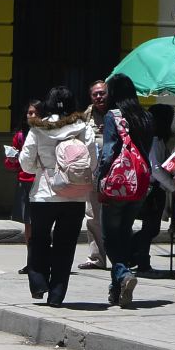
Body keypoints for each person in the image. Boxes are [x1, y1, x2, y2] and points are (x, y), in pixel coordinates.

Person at [18, 86, 96, 308]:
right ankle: (57, 295)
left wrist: (44, 169)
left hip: (44, 194)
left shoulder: (38, 128)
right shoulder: (83, 128)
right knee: (66, 245)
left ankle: (39, 281)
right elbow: (93, 161)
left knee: (39, 239)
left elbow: (26, 163)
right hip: (76, 196)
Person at [96, 73, 153, 309]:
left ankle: (122, 273)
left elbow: (109, 152)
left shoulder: (113, 117)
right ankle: (117, 291)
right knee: (124, 232)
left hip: (118, 185)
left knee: (110, 238)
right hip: (140, 184)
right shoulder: (146, 117)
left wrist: (100, 177)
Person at [132, 103, 175, 277]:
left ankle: (137, 257)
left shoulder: (147, 138)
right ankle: (139, 259)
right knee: (151, 228)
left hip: (147, 188)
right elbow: (155, 169)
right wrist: (173, 187)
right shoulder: (156, 140)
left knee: (151, 228)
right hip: (152, 191)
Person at [79, 79, 112, 270]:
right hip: (93, 174)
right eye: (95, 94)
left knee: (114, 217)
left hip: (115, 175)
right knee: (92, 216)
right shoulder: (86, 116)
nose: (99, 97)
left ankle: (119, 258)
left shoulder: (117, 114)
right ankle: (97, 258)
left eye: (102, 93)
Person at [7, 100, 41, 275]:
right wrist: (12, 159)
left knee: (41, 224)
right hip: (25, 181)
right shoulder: (20, 136)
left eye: (36, 112)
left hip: (42, 182)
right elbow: (11, 164)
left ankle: (41, 259)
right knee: (28, 224)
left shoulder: (46, 134)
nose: (32, 116)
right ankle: (31, 260)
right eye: (30, 113)